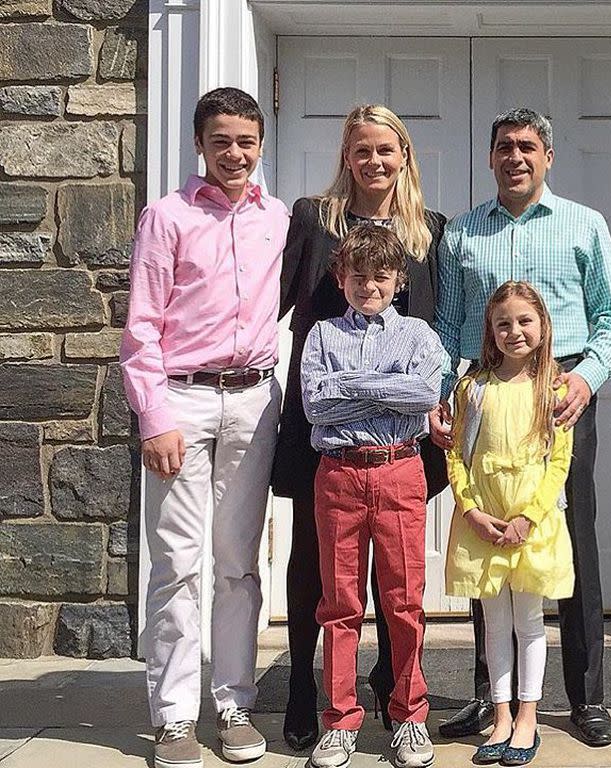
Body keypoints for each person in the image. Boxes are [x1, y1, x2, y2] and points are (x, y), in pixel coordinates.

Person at [433, 108, 611, 747]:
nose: (514, 157)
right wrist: (443, 398)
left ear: (547, 157)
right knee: (483, 538)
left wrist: (586, 379)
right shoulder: (463, 233)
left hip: (560, 394)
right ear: (490, 158)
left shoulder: (584, 225)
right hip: (484, 393)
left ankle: (586, 696)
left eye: (526, 146)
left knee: (569, 538)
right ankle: (488, 696)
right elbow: (445, 323)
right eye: (503, 147)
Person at [120, 87, 289, 768]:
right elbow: (140, 328)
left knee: (238, 564)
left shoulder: (277, 218)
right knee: (177, 564)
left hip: (253, 401)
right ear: (199, 144)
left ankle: (232, 703)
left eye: (246, 140)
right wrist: (153, 416)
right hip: (183, 402)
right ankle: (172, 717)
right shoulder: (166, 217)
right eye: (221, 141)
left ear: (261, 143)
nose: (235, 153)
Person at [273, 104, 448, 751]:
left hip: (406, 439)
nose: (374, 161)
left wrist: (437, 398)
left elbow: (443, 330)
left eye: (386, 150)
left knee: (396, 577)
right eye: (362, 150)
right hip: (328, 435)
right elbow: (276, 300)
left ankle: (391, 688)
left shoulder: (431, 231)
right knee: (316, 568)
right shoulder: (314, 220)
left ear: (404, 155)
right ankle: (302, 687)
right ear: (347, 157)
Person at [300, 224, 443, 768]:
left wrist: (352, 383)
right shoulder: (320, 336)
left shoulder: (418, 337)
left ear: (398, 279)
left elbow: (424, 394)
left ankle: (409, 716)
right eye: (358, 275)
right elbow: (317, 406)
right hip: (337, 476)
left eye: (381, 276)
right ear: (341, 278)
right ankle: (339, 722)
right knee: (339, 604)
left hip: (399, 471)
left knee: (404, 602)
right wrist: (385, 386)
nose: (369, 285)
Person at [445, 281, 574, 766]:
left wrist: (529, 516)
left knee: (530, 621)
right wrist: (471, 510)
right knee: (494, 623)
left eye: (524, 321)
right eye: (503, 323)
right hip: (485, 519)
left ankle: (527, 717)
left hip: (530, 523)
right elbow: (457, 455)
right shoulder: (473, 388)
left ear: (542, 327)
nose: (514, 331)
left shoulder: (554, 388)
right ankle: (500, 715)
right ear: (489, 331)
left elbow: (558, 463)